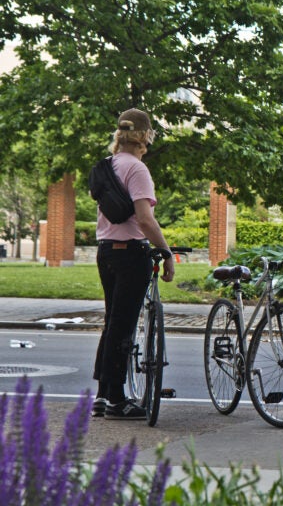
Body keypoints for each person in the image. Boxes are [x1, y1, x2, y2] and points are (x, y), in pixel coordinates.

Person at [92, 108, 175, 420]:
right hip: (130, 254)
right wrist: (165, 251)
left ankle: (102, 395)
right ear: (145, 135)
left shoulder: (107, 165)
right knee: (123, 324)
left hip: (106, 252)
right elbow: (145, 219)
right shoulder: (137, 169)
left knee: (112, 320)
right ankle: (117, 400)